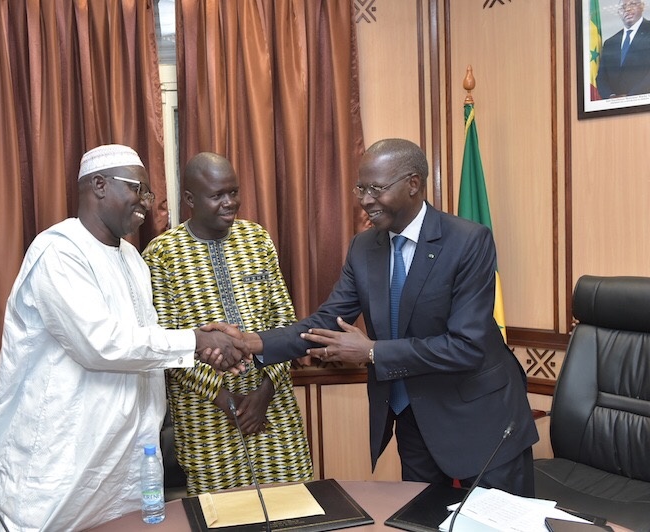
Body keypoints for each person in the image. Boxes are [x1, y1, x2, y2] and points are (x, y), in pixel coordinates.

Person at [207, 138, 539, 497]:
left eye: (375, 189)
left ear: (413, 184)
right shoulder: (364, 248)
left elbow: (466, 346)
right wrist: (252, 342)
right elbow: (327, 320)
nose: (365, 199)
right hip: (414, 420)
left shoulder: (468, 241)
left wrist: (371, 352)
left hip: (482, 422)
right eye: (360, 188)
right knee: (420, 519)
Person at [0, 144, 249, 532]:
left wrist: (204, 348)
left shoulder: (133, 261)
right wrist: (197, 343)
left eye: (149, 194)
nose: (146, 203)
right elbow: (101, 344)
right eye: (137, 188)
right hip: (59, 460)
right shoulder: (59, 251)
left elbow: (146, 342)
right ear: (99, 185)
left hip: (121, 462)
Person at [142, 152, 313, 495]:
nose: (229, 203)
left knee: (293, 503)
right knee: (222, 514)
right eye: (217, 195)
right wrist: (224, 398)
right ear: (190, 199)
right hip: (206, 415)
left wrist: (265, 391)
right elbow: (164, 343)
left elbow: (284, 322)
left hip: (272, 406)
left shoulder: (257, 240)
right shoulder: (162, 255)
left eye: (233, 192)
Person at [596, 0, 650, 98]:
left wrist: (630, 96)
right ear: (618, 13)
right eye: (623, 7)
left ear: (642, 7)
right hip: (615, 106)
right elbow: (601, 77)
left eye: (632, 4)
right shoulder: (610, 43)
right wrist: (611, 96)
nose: (627, 9)